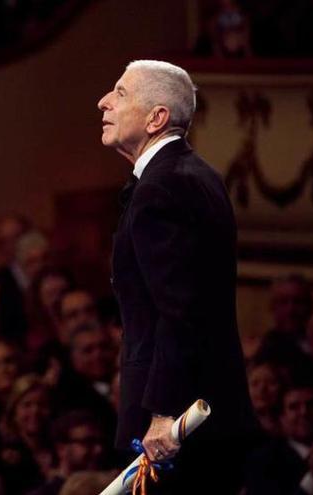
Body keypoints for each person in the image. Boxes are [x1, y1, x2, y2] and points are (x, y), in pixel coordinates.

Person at [97, 59, 257, 493]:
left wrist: (164, 412)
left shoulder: (163, 187)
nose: (103, 102)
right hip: (203, 413)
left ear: (157, 117)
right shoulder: (196, 175)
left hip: (178, 428)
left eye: (120, 93)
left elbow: (179, 310)